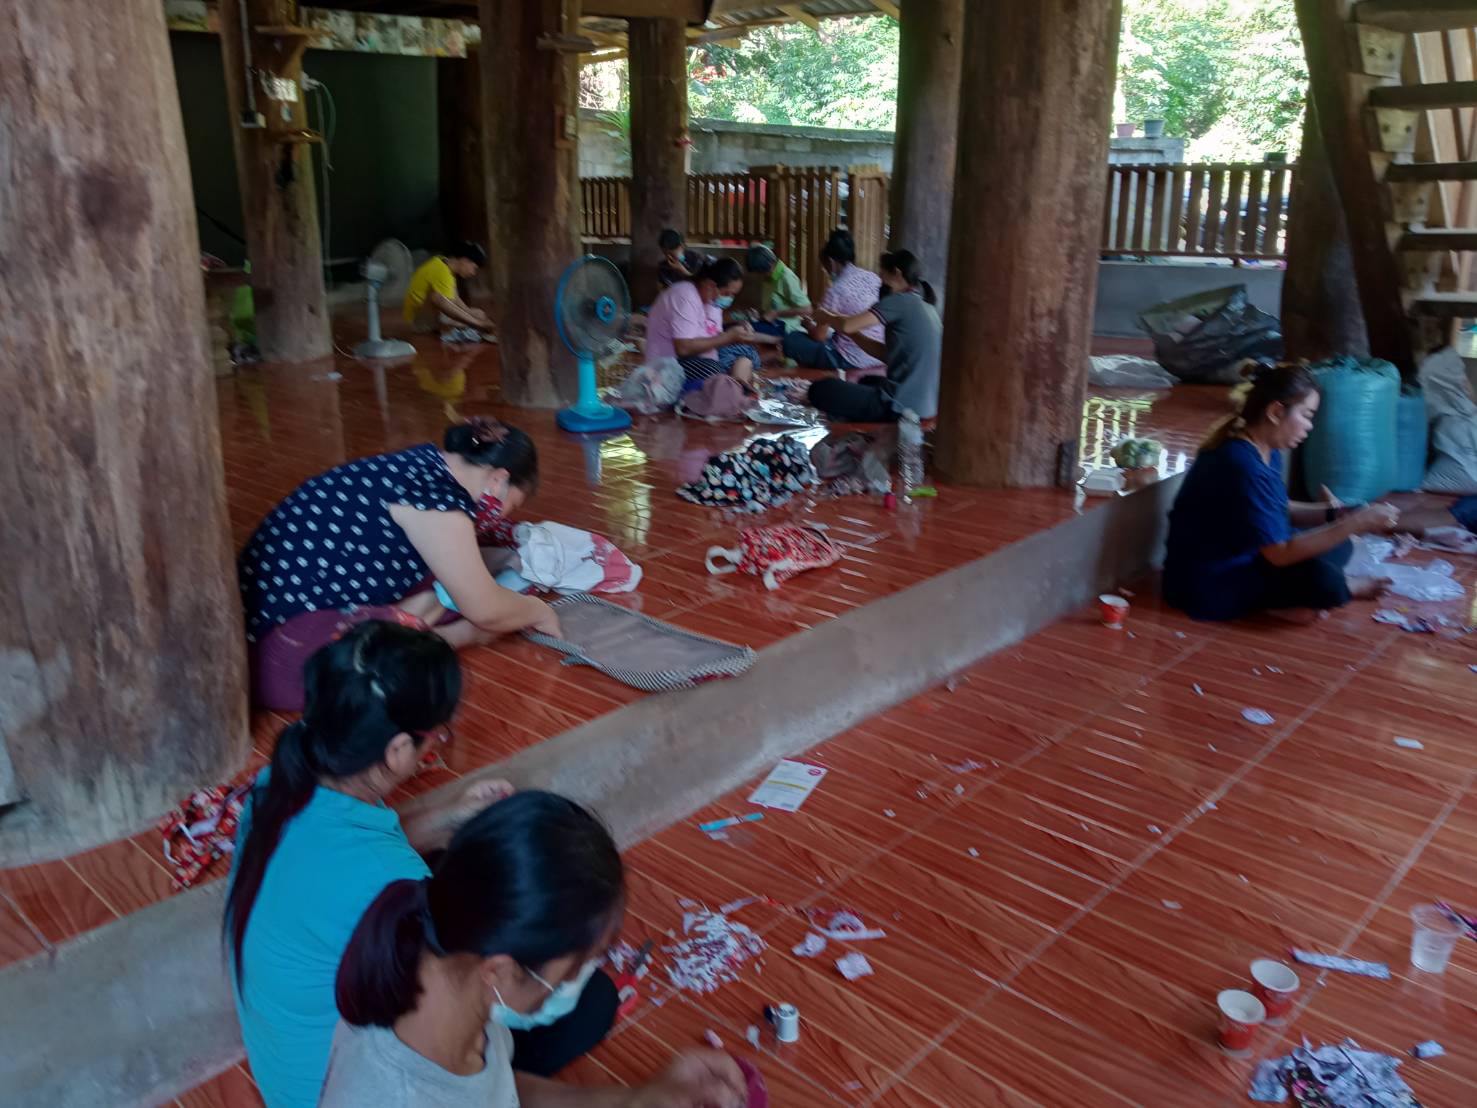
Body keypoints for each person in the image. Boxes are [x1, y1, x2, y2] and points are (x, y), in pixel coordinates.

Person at [225, 623, 619, 1108]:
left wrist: (450, 817)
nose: (438, 744)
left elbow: (356, 853)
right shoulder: (391, 880)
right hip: (325, 1090)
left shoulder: (277, 784)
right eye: (437, 735)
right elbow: (464, 983)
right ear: (397, 751)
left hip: (282, 1064)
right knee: (590, 1003)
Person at [324, 791, 749, 1108]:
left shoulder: (455, 973)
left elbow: (497, 1090)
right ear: (501, 971)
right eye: (572, 971)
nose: (577, 980)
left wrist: (637, 1100)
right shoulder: (397, 1092)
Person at [238, 417, 559, 711]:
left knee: (449, 586)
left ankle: (435, 619)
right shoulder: (439, 501)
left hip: (251, 629)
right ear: (498, 480)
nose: (500, 515)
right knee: (463, 601)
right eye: (510, 504)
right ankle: (460, 636)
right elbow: (485, 608)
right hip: (285, 662)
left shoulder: (421, 464)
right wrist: (538, 611)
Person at [1163, 363, 1401, 622]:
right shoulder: (1240, 463)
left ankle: (1292, 602)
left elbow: (1277, 508)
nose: (1309, 426)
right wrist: (1355, 523)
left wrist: (1333, 514)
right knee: (1326, 580)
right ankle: (1336, 590)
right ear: (1276, 412)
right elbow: (1279, 553)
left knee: (1340, 545)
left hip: (1248, 558)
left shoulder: (1265, 449)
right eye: (1306, 415)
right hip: (1208, 583)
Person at [806, 249, 942, 423]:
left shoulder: (901, 300)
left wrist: (825, 316)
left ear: (897, 274)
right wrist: (851, 333)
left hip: (901, 408)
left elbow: (847, 325)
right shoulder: (927, 306)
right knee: (867, 380)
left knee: (820, 389)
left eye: (882, 275)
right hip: (924, 407)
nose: (880, 281)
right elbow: (885, 354)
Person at [643, 257, 772, 388]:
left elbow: (714, 336)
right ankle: (732, 386)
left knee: (747, 352)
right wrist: (728, 337)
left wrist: (739, 333)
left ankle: (735, 385)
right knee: (711, 370)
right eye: (727, 293)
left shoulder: (712, 302)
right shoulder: (685, 296)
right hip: (668, 364)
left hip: (703, 357)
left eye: (733, 295)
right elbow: (683, 348)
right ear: (710, 285)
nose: (729, 298)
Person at [781, 229, 885, 378]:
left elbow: (819, 337)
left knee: (791, 340)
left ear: (831, 262)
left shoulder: (836, 290)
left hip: (851, 358)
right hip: (879, 352)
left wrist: (807, 325)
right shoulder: (873, 277)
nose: (825, 270)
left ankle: (824, 370)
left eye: (825, 266)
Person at [404, 242, 494, 340]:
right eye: (474, 268)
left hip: (429, 317)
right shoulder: (441, 272)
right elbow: (444, 305)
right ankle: (474, 325)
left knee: (479, 314)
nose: (473, 273)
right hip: (418, 322)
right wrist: (478, 323)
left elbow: (454, 297)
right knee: (438, 298)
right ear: (465, 260)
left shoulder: (443, 262)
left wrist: (469, 312)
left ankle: (472, 324)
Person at [743, 243, 810, 340]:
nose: (760, 276)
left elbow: (807, 309)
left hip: (785, 328)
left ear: (770, 264)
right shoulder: (768, 278)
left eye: (761, 272)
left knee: (744, 332)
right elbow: (770, 309)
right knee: (741, 326)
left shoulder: (786, 277)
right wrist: (758, 315)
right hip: (772, 324)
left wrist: (776, 313)